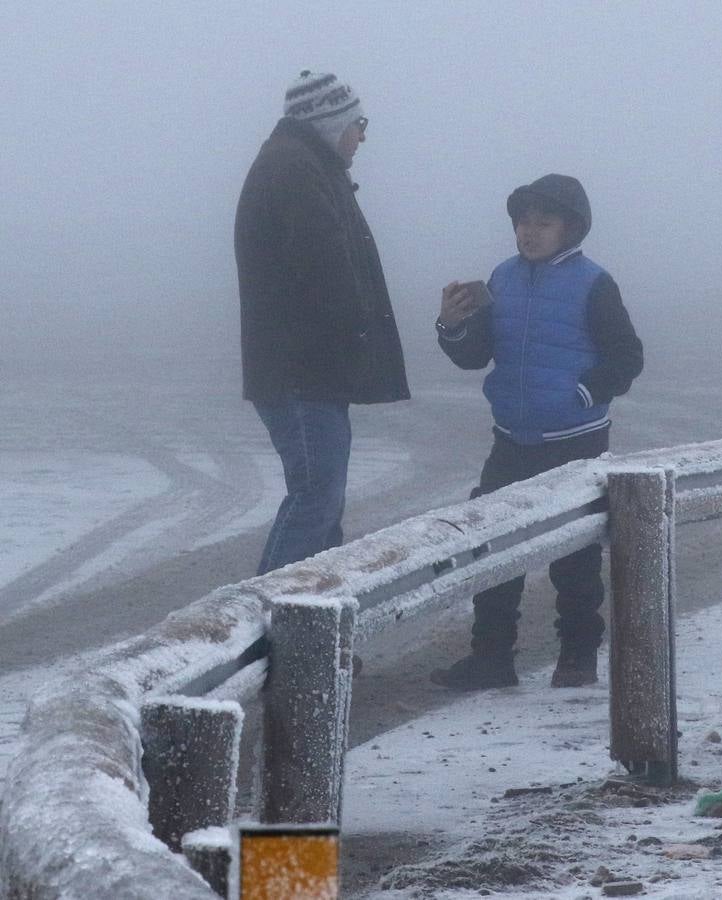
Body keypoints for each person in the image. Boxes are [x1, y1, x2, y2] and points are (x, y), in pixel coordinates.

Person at [431, 174, 643, 691]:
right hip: (511, 440)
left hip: (577, 442)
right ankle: (491, 659)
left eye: (542, 223)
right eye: (523, 222)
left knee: (575, 557)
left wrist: (581, 397)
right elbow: (474, 355)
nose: (529, 232)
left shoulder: (595, 283)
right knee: (495, 548)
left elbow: (626, 358)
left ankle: (576, 657)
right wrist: (451, 325)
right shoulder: (500, 279)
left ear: (570, 228)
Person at [235, 71, 410, 578]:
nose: (362, 135)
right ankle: (273, 631)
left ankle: (310, 638)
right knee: (315, 499)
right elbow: (325, 272)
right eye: (359, 123)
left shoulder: (304, 165)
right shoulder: (295, 170)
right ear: (332, 123)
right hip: (301, 373)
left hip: (306, 370)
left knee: (321, 502)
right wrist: (359, 333)